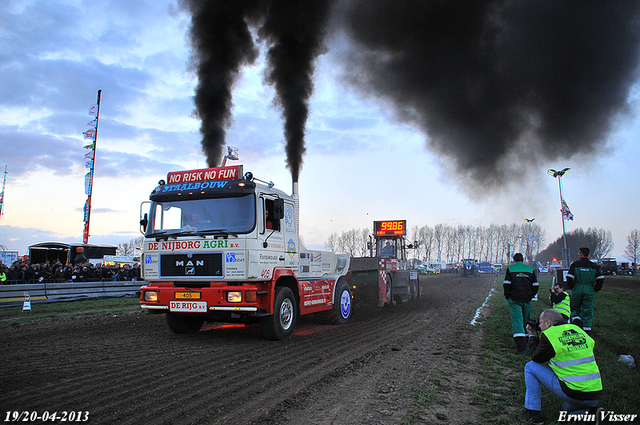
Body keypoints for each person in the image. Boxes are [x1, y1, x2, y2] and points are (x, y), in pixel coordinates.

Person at [518, 309, 602, 424]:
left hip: (574, 392)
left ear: (548, 323)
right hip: (595, 392)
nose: (539, 326)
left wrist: (532, 336)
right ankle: (593, 413)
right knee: (564, 414)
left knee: (530, 367)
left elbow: (536, 358)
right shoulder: (577, 329)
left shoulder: (550, 335)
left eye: (541, 323)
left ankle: (533, 413)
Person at [503, 253, 539, 353]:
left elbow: (506, 284)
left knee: (517, 320)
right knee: (527, 319)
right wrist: (531, 295)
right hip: (527, 299)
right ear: (522, 260)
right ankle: (529, 342)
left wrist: (508, 296)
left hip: (515, 299)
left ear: (514, 260)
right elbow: (535, 285)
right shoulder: (530, 269)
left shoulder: (510, 269)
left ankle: (521, 347)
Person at [566, 247, 604, 333]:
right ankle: (587, 330)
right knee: (588, 309)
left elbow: (569, 277)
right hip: (589, 289)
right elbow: (600, 279)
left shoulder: (575, 264)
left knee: (575, 308)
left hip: (577, 288)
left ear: (581, 253)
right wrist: (595, 289)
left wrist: (572, 286)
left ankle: (576, 326)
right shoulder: (594, 266)